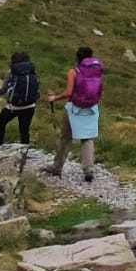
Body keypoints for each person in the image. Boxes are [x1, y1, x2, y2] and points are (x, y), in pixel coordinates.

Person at [45, 46, 102, 182]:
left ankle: (57, 167)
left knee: (65, 138)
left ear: (77, 57)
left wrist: (55, 98)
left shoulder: (74, 72)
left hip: (74, 108)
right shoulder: (96, 71)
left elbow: (69, 93)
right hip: (91, 108)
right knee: (87, 138)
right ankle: (88, 169)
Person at [0, 50, 40, 146]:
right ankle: (24, 150)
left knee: (1, 123)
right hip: (30, 105)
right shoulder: (32, 71)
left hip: (14, 106)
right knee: (24, 129)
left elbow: (4, 89)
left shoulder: (12, 72)